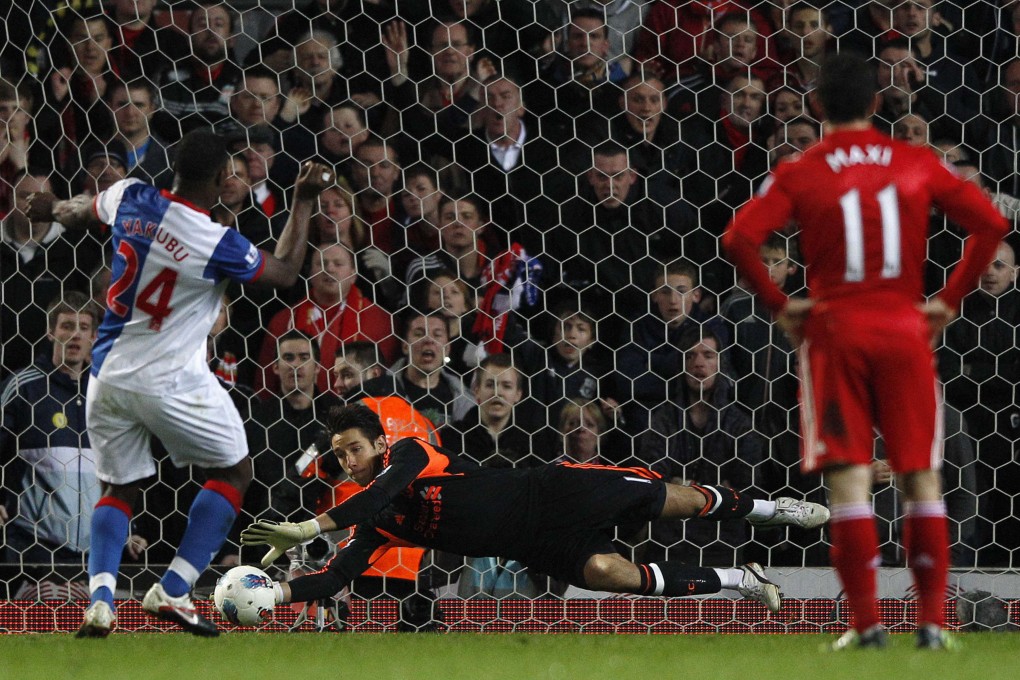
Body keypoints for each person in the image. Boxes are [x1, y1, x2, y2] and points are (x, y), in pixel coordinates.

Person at [722, 52, 1008, 650]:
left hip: (834, 332)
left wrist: (780, 305)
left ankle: (866, 625)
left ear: (817, 105)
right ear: (878, 103)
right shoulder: (915, 160)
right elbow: (990, 224)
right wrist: (948, 301)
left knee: (849, 482)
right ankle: (932, 623)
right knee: (921, 477)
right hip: (904, 328)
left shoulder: (801, 169)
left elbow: (739, 237)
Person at [26, 129, 333, 637]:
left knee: (117, 487)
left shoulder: (130, 196)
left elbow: (78, 210)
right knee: (235, 472)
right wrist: (302, 200)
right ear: (221, 177)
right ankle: (173, 588)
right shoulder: (212, 240)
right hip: (171, 380)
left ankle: (100, 600)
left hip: (108, 374)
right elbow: (283, 273)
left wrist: (50, 208)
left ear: (173, 169)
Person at [240, 403, 829, 612]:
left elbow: (380, 492)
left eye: (355, 448)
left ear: (378, 445)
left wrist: (307, 525)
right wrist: (274, 594)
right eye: (340, 455)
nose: (349, 462)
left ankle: (770, 509)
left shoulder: (411, 455)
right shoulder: (377, 524)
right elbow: (334, 577)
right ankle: (741, 580)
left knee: (668, 501)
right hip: (534, 544)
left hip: (552, 490)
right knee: (609, 573)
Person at [0, 292, 147, 597]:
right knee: (41, 616)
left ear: (94, 336)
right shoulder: (23, 388)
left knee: (97, 620)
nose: (75, 334)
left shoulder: (106, 394)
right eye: (67, 326)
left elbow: (124, 467)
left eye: (83, 327)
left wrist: (128, 528)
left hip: (96, 547)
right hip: (34, 547)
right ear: (50, 332)